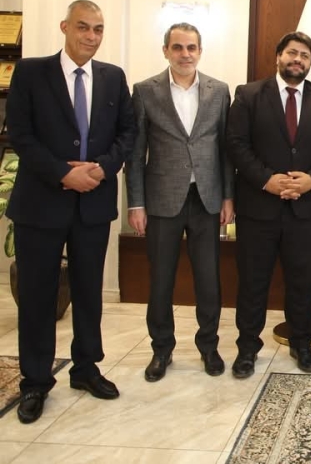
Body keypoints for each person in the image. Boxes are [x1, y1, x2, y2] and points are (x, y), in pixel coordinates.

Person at [6, 0, 136, 424]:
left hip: (92, 203)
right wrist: (64, 173)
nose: (91, 36)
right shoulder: (31, 72)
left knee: (88, 291)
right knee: (37, 297)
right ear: (64, 27)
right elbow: (19, 134)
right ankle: (35, 381)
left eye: (98, 29)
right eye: (83, 27)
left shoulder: (113, 77)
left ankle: (85, 368)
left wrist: (101, 168)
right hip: (41, 204)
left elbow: (127, 133)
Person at [225, 31, 311, 377]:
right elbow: (235, 144)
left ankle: (301, 344)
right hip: (258, 209)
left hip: (304, 211)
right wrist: (267, 180)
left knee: (301, 281)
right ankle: (247, 349)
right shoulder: (248, 95)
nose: (297, 60)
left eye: (305, 56)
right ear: (279, 56)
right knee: (253, 283)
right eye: (292, 53)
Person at [125, 23, 234, 382]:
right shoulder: (145, 91)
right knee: (160, 280)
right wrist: (136, 204)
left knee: (209, 280)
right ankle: (161, 349)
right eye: (178, 47)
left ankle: (209, 346)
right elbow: (135, 154)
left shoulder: (219, 91)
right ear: (166, 51)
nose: (185, 54)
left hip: (206, 200)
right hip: (161, 201)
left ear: (200, 51)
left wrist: (228, 197)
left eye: (191, 48)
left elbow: (225, 150)